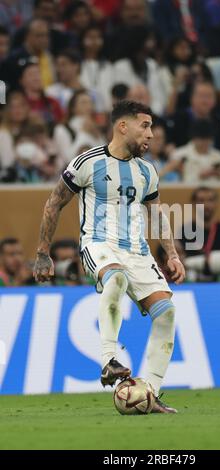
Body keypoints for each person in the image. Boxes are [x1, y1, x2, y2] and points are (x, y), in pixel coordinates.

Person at [33, 100, 185, 413]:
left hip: (138, 252)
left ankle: (149, 394)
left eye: (152, 127)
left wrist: (172, 254)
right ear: (122, 126)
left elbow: (156, 214)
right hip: (98, 243)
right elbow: (53, 203)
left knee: (167, 313)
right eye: (145, 126)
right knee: (115, 278)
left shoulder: (146, 171)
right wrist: (42, 253)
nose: (152, 134)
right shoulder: (87, 162)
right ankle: (108, 360)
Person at [176, 187, 220, 282]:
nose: (206, 205)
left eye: (210, 200)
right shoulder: (185, 231)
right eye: (201, 200)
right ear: (193, 204)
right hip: (193, 283)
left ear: (216, 203)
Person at [161, 119, 220, 184]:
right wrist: (200, 176)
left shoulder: (218, 156)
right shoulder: (179, 155)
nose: (205, 142)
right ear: (193, 138)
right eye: (202, 139)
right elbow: (165, 179)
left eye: (208, 139)